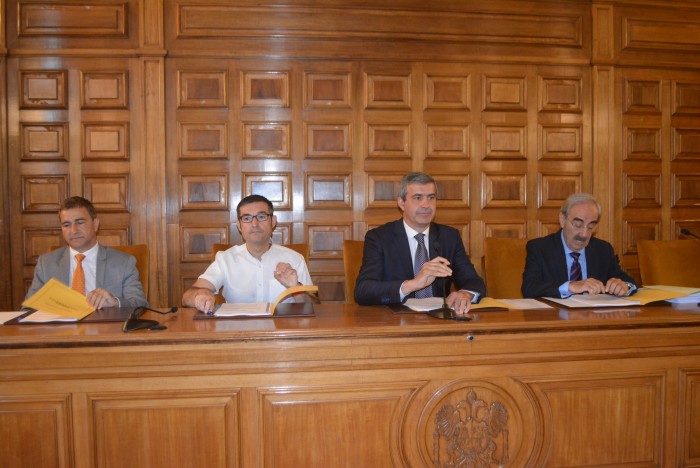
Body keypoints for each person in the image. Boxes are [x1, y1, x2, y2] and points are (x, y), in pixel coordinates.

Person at [354, 172, 486, 316]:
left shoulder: (449, 237)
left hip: (439, 321)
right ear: (401, 203)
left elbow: (473, 280)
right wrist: (413, 284)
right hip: (396, 322)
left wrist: (465, 294)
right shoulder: (379, 237)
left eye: (431, 197)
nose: (426, 205)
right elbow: (363, 290)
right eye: (418, 198)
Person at [182, 194, 315, 313]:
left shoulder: (295, 259)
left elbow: (314, 306)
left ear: (273, 222)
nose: (255, 224)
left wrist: (296, 289)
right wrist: (200, 294)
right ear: (239, 226)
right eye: (247, 218)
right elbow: (187, 296)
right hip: (238, 334)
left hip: (283, 334)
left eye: (262, 216)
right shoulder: (225, 259)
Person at [25, 196, 148, 309]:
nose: (74, 230)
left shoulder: (123, 262)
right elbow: (28, 310)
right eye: (66, 224)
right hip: (61, 331)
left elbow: (140, 305)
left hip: (105, 331)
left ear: (95, 224)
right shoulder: (46, 263)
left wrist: (115, 302)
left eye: (80, 222)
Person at [521, 192, 637, 298]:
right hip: (555, 317)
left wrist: (624, 286)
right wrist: (571, 286)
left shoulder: (603, 250)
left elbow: (627, 281)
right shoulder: (540, 248)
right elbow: (529, 288)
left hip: (594, 318)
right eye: (577, 225)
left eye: (591, 227)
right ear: (562, 220)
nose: (584, 234)